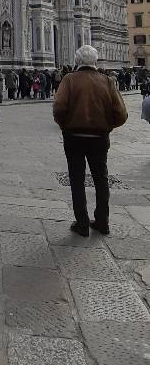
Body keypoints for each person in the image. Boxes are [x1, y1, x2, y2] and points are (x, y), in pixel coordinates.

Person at [53, 45, 128, 237]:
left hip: (74, 138)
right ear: (95, 61)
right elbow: (121, 113)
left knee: (77, 180)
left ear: (77, 61)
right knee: (101, 179)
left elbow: (59, 109)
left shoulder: (69, 79)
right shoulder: (107, 81)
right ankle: (102, 222)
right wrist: (107, 127)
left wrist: (66, 126)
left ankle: (82, 224)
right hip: (99, 139)